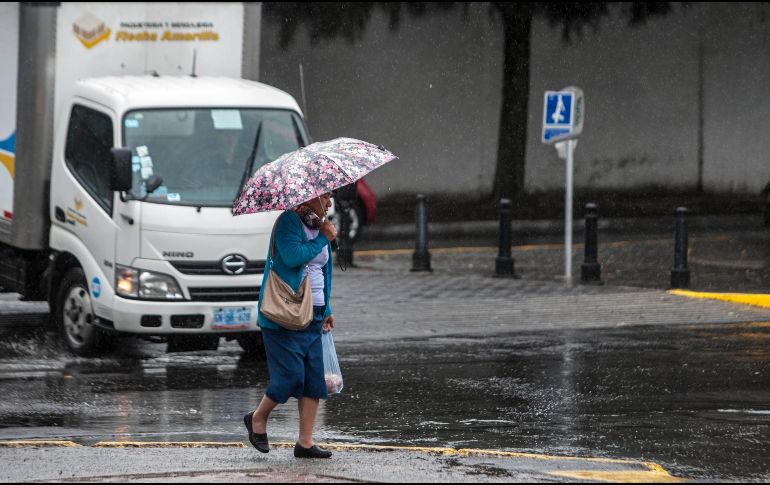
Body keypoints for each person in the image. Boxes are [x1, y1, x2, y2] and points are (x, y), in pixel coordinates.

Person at [243, 192, 338, 459]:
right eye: (326, 197)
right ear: (310, 198)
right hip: (285, 313)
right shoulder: (288, 221)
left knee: (313, 379)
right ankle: (257, 418)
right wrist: (323, 239)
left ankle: (305, 443)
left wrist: (326, 308)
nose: (329, 203)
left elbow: (323, 271)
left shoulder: (318, 224)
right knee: (291, 376)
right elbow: (291, 257)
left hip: (314, 314)